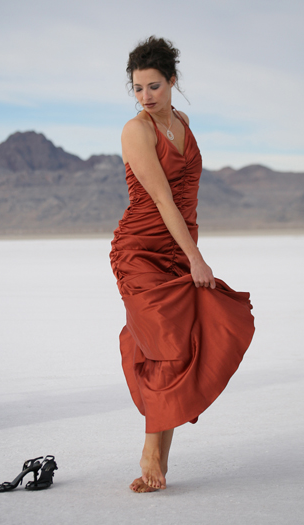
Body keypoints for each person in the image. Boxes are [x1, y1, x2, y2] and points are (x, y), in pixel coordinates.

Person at [110, 36, 255, 493]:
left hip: (178, 246)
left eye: (153, 86)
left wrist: (190, 249)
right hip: (141, 251)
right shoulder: (137, 131)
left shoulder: (183, 123)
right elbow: (161, 196)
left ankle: (161, 458)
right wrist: (197, 258)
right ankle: (152, 453)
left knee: (180, 346)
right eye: (137, 88)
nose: (145, 97)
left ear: (173, 82)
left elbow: (189, 195)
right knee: (165, 347)